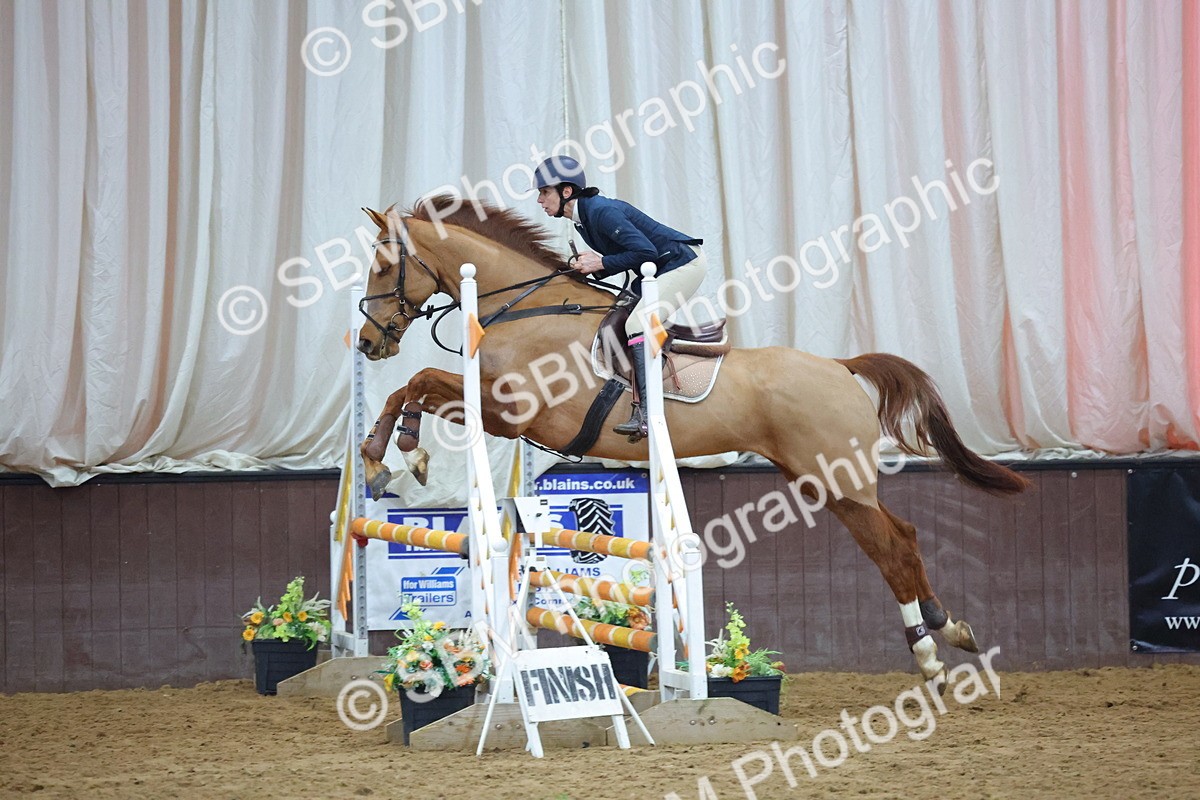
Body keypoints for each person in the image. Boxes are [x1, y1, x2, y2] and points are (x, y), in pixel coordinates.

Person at [533, 155, 707, 441]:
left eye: (544, 192)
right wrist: (593, 266)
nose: (540, 200)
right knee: (614, 316)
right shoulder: (583, 220)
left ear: (566, 191)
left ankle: (647, 414)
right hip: (657, 268)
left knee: (636, 324)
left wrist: (601, 262)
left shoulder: (600, 211)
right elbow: (629, 255)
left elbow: (646, 252)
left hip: (682, 263)